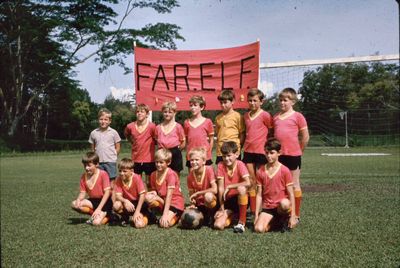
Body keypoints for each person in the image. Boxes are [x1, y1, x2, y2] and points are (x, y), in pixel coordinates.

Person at [272, 87, 309, 222]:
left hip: (293, 155)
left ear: (292, 102)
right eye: (281, 100)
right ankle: (282, 211)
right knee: (279, 184)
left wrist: (300, 151)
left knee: (294, 184)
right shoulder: (275, 117)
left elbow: (305, 137)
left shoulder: (298, 116)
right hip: (279, 156)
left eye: (285, 100)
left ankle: (296, 214)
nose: (282, 103)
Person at [254, 138, 297, 233]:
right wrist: (256, 215)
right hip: (268, 207)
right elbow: (259, 195)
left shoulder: (285, 170)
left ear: (279, 153)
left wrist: (293, 215)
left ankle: (286, 218)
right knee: (259, 229)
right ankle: (277, 222)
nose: (269, 156)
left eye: (272, 153)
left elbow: (291, 194)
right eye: (266, 153)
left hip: (280, 207)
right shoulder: (260, 170)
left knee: (285, 203)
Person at [242, 89, 273, 215]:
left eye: (255, 101)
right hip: (248, 152)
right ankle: (254, 210)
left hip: (261, 152)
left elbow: (271, 131)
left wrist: (267, 147)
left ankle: (266, 206)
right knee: (251, 181)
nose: (252, 103)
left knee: (262, 180)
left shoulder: (265, 115)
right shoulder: (245, 116)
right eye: (250, 101)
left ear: (261, 102)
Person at [214, 141, 250, 233]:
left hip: (239, 199)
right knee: (218, 225)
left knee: (241, 188)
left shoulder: (240, 164)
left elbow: (248, 182)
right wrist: (221, 208)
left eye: (229, 155)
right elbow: (221, 188)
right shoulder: (220, 165)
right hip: (226, 200)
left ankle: (242, 222)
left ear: (237, 154)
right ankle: (233, 215)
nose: (226, 158)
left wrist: (230, 186)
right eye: (224, 156)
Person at [145, 148, 185, 228]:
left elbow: (169, 196)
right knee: (147, 197)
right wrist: (153, 194)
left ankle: (179, 214)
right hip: (163, 201)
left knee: (165, 224)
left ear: (168, 162)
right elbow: (154, 190)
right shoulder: (153, 174)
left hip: (174, 203)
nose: (158, 165)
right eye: (156, 162)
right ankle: (150, 215)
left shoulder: (171, 174)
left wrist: (165, 214)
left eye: (161, 162)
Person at [88, 108, 121, 201]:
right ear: (98, 120)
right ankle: (102, 202)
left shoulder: (114, 132)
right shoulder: (93, 133)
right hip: (98, 163)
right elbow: (92, 148)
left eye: (106, 119)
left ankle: (113, 203)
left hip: (110, 162)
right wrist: (94, 160)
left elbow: (118, 147)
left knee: (111, 184)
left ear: (110, 121)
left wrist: (114, 156)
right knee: (100, 183)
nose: (103, 121)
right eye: (101, 119)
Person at [71, 152, 112, 226]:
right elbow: (82, 192)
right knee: (74, 204)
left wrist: (99, 208)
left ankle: (110, 216)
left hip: (105, 202)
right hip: (93, 201)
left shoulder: (103, 174)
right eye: (85, 165)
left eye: (89, 165)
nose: (86, 168)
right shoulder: (84, 176)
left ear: (97, 164)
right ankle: (94, 214)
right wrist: (78, 199)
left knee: (96, 223)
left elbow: (107, 193)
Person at [124, 104, 156, 187]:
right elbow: (127, 135)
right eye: (137, 111)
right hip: (136, 159)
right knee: (136, 182)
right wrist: (132, 142)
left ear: (147, 114)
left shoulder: (152, 126)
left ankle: (150, 199)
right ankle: (138, 199)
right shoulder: (130, 126)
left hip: (149, 160)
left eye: (142, 112)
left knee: (149, 183)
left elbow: (156, 138)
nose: (139, 113)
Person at [112, 158, 151, 228]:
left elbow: (142, 196)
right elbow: (118, 196)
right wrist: (125, 201)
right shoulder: (118, 179)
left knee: (139, 225)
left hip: (139, 204)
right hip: (128, 203)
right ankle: (125, 217)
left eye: (124, 171)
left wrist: (137, 211)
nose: (121, 173)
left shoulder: (137, 178)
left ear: (131, 171)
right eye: (120, 171)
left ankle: (147, 217)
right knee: (116, 205)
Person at [186, 147, 218, 226]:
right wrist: (192, 204)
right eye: (192, 160)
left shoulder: (209, 170)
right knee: (185, 218)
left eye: (196, 160)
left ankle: (212, 215)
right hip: (200, 203)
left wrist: (199, 193)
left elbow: (215, 189)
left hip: (212, 201)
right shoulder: (190, 176)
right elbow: (192, 194)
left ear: (203, 161)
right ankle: (205, 216)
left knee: (208, 196)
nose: (194, 162)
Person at [215, 90, 245, 164]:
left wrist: (237, 146)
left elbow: (242, 134)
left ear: (233, 101)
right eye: (221, 103)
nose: (222, 105)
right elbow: (218, 134)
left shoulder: (238, 116)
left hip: (234, 151)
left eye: (225, 102)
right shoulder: (217, 118)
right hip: (221, 151)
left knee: (235, 172)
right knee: (221, 172)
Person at [155, 102, 186, 175]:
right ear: (162, 112)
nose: (167, 114)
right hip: (161, 154)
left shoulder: (178, 126)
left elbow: (183, 142)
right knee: (162, 175)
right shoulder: (158, 128)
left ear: (174, 113)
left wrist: (176, 151)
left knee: (175, 176)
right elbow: (156, 141)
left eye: (170, 112)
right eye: (165, 112)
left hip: (175, 154)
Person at [183, 95, 214, 169]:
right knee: (192, 179)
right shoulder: (186, 122)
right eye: (191, 105)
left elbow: (211, 139)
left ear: (202, 107)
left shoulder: (208, 121)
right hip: (191, 156)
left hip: (204, 156)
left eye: (195, 105)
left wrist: (208, 152)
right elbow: (187, 140)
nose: (193, 108)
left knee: (206, 178)